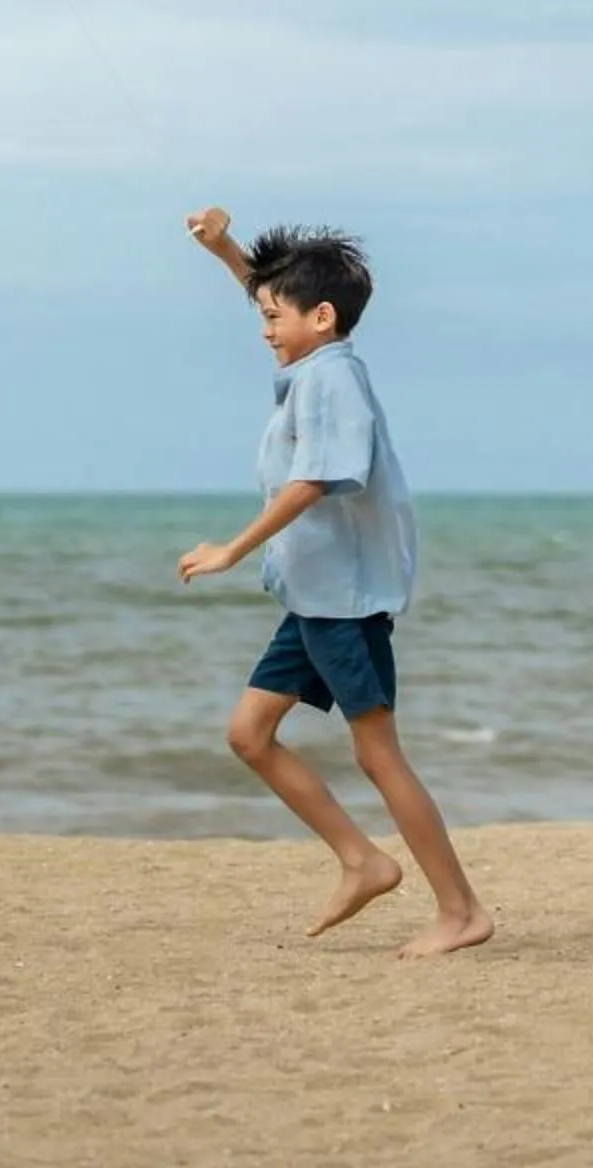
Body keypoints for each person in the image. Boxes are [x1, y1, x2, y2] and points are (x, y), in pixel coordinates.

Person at [176, 208, 494, 960]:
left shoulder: (334, 382)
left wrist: (230, 550)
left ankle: (461, 910)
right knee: (249, 735)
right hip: (312, 594)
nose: (262, 328)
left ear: (322, 318)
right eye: (261, 312)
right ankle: (363, 861)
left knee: (378, 754)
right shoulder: (311, 363)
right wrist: (226, 249)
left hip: (346, 602)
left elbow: (313, 481)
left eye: (273, 316)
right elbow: (273, 297)